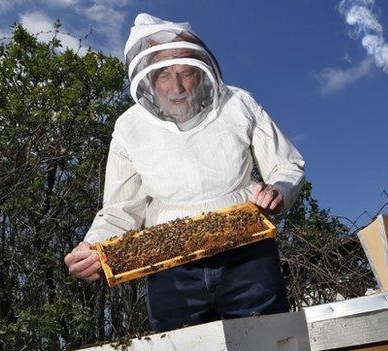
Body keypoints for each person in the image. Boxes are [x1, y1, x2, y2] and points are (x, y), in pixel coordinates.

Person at [64, 13, 305, 332]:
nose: (176, 87)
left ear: (201, 71)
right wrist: (94, 246)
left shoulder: (238, 102)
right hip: (171, 269)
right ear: (147, 79)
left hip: (248, 256)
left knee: (269, 340)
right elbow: (121, 210)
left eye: (186, 73)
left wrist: (278, 189)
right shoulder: (129, 127)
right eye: (163, 74)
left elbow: (286, 165)